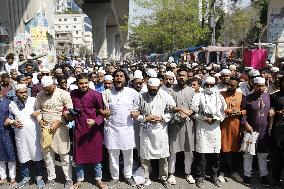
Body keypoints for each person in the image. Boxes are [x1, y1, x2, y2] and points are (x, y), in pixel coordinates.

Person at [34, 76, 73, 189]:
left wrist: (59, 121)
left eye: (48, 88)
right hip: (45, 129)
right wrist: (40, 120)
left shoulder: (63, 94)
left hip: (60, 129)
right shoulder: (40, 94)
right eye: (44, 88)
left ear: (53, 85)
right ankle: (51, 178)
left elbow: (70, 111)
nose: (46, 91)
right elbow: (37, 109)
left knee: (64, 154)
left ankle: (68, 179)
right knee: (47, 155)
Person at [103, 69, 139, 188]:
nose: (119, 78)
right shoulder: (107, 93)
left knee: (128, 154)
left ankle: (128, 176)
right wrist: (104, 112)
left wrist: (137, 112)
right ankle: (115, 177)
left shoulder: (132, 92)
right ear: (113, 79)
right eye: (117, 76)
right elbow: (103, 109)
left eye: (121, 76)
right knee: (113, 154)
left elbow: (138, 107)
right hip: (112, 128)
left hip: (127, 128)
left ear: (125, 79)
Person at [70, 73, 107, 189]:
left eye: (86, 83)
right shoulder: (73, 94)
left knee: (97, 157)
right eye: (81, 83)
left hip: (94, 132)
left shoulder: (96, 95)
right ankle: (79, 180)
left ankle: (98, 179)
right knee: (79, 156)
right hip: (79, 130)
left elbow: (103, 114)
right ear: (77, 84)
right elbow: (68, 109)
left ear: (89, 83)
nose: (84, 85)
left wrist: (95, 121)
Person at [137, 78, 176, 187]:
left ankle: (163, 177)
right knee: (145, 156)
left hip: (160, 130)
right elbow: (135, 112)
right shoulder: (141, 96)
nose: (153, 92)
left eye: (155, 90)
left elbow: (172, 111)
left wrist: (163, 118)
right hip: (146, 130)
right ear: (147, 87)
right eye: (150, 90)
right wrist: (145, 118)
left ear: (159, 87)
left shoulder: (166, 96)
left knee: (163, 156)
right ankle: (145, 177)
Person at [191, 76, 226, 188]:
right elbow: (193, 112)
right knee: (201, 155)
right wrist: (204, 119)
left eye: (212, 85)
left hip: (215, 128)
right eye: (207, 85)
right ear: (204, 85)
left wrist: (215, 119)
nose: (209, 87)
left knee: (215, 154)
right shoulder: (198, 96)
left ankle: (214, 176)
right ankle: (200, 177)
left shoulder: (219, 96)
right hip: (202, 127)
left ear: (215, 85)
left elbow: (223, 111)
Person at [7, 84, 44, 188]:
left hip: (34, 133)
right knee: (23, 156)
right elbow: (9, 118)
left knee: (37, 156)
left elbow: (41, 110)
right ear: (16, 93)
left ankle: (39, 177)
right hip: (20, 134)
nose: (24, 94)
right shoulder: (12, 103)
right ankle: (25, 178)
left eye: (25, 92)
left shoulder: (33, 100)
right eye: (21, 92)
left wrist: (38, 113)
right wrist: (13, 122)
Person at [167, 69, 196, 185]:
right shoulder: (171, 91)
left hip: (188, 124)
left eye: (183, 75)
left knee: (188, 151)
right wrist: (178, 114)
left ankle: (188, 173)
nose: (181, 77)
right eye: (179, 75)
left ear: (187, 77)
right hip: (175, 124)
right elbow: (168, 106)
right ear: (176, 77)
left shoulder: (192, 91)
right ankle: (171, 174)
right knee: (173, 150)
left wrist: (188, 113)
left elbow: (196, 107)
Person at [241, 77, 270, 187]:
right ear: (254, 85)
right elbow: (242, 114)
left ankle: (264, 175)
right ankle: (247, 175)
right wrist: (246, 124)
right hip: (251, 130)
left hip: (264, 131)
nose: (261, 88)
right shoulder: (247, 98)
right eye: (258, 86)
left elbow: (271, 110)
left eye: (263, 85)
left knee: (262, 154)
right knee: (248, 154)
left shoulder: (268, 97)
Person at [219, 77, 244, 183]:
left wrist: (240, 112)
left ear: (237, 86)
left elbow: (246, 109)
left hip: (236, 126)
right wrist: (227, 110)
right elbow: (217, 107)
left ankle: (234, 172)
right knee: (224, 149)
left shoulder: (241, 95)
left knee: (235, 149)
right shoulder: (221, 94)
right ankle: (222, 171)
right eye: (229, 84)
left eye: (232, 85)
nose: (229, 86)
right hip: (224, 126)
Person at [0, 86, 16, 187]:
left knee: (10, 154)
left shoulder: (8, 102)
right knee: (0, 156)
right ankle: (3, 176)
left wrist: (11, 120)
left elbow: (15, 115)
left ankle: (12, 176)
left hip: (7, 131)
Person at [270, 76, 284, 189]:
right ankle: (276, 180)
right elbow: (270, 110)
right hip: (278, 131)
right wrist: (275, 111)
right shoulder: (275, 96)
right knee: (277, 156)